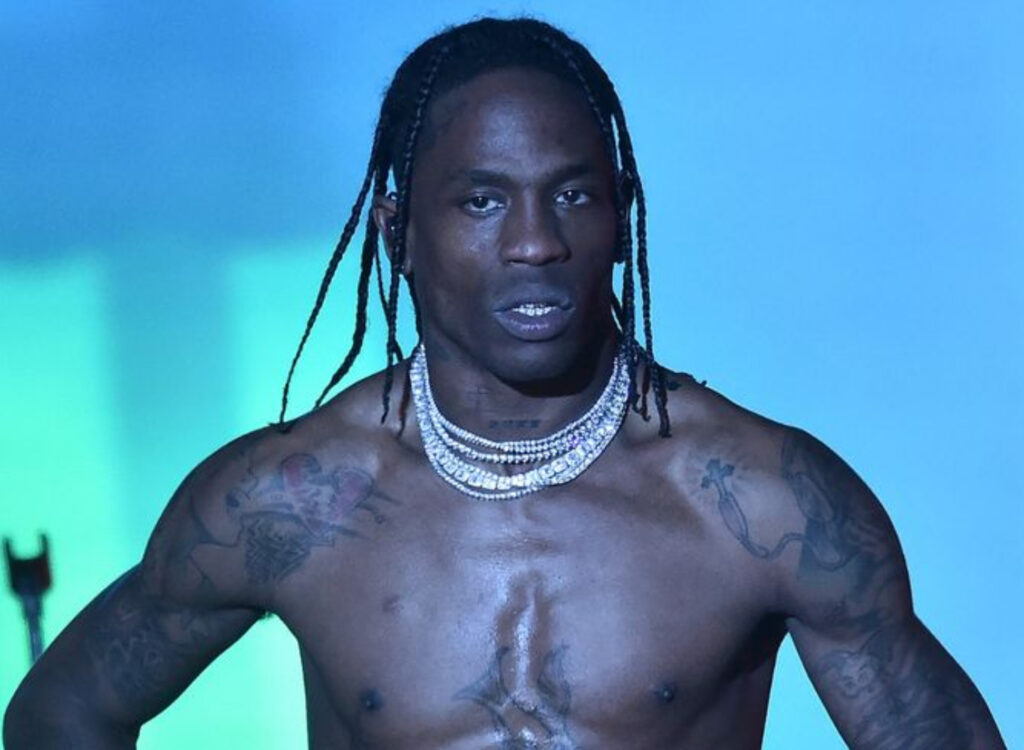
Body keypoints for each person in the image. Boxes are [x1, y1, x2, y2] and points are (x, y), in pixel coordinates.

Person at [3, 17, 1006, 750]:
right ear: (398, 230)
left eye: (573, 194)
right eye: (481, 201)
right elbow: (60, 713)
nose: (535, 243)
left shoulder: (765, 503)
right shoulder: (290, 504)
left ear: (619, 214)